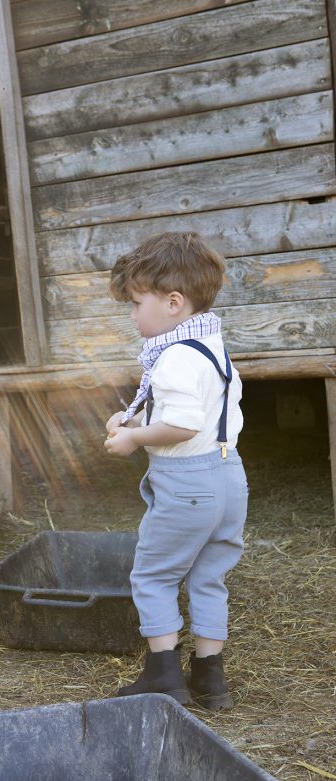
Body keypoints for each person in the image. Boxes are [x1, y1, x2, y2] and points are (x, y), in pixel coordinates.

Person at [104, 232, 248, 710]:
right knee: (209, 576)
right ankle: (211, 679)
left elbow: (182, 425)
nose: (131, 314)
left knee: (154, 574)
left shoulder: (173, 358)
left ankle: (164, 674)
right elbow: (198, 415)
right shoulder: (212, 347)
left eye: (136, 302)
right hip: (230, 478)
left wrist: (133, 438)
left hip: (189, 485)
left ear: (172, 302)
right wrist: (136, 418)